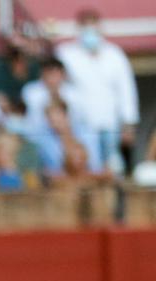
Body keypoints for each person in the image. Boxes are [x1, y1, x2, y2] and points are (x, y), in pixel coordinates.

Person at [54, 9, 137, 175]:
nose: (90, 32)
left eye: (93, 26)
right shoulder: (66, 53)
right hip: (81, 124)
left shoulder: (114, 54)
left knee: (113, 167)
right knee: (89, 166)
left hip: (110, 123)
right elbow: (60, 87)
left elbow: (126, 90)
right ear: (78, 28)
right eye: (85, 26)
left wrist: (128, 122)